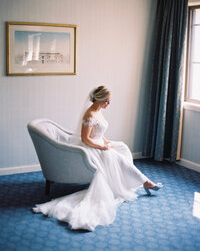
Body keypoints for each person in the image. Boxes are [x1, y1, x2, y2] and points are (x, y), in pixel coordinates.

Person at [33, 86, 162, 231]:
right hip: (91, 147)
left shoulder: (98, 111)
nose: (109, 103)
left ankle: (126, 179)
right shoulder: (89, 115)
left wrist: (105, 141)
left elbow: (99, 130)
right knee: (114, 156)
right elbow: (85, 139)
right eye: (107, 101)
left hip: (99, 142)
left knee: (123, 148)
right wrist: (101, 147)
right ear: (100, 99)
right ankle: (146, 182)